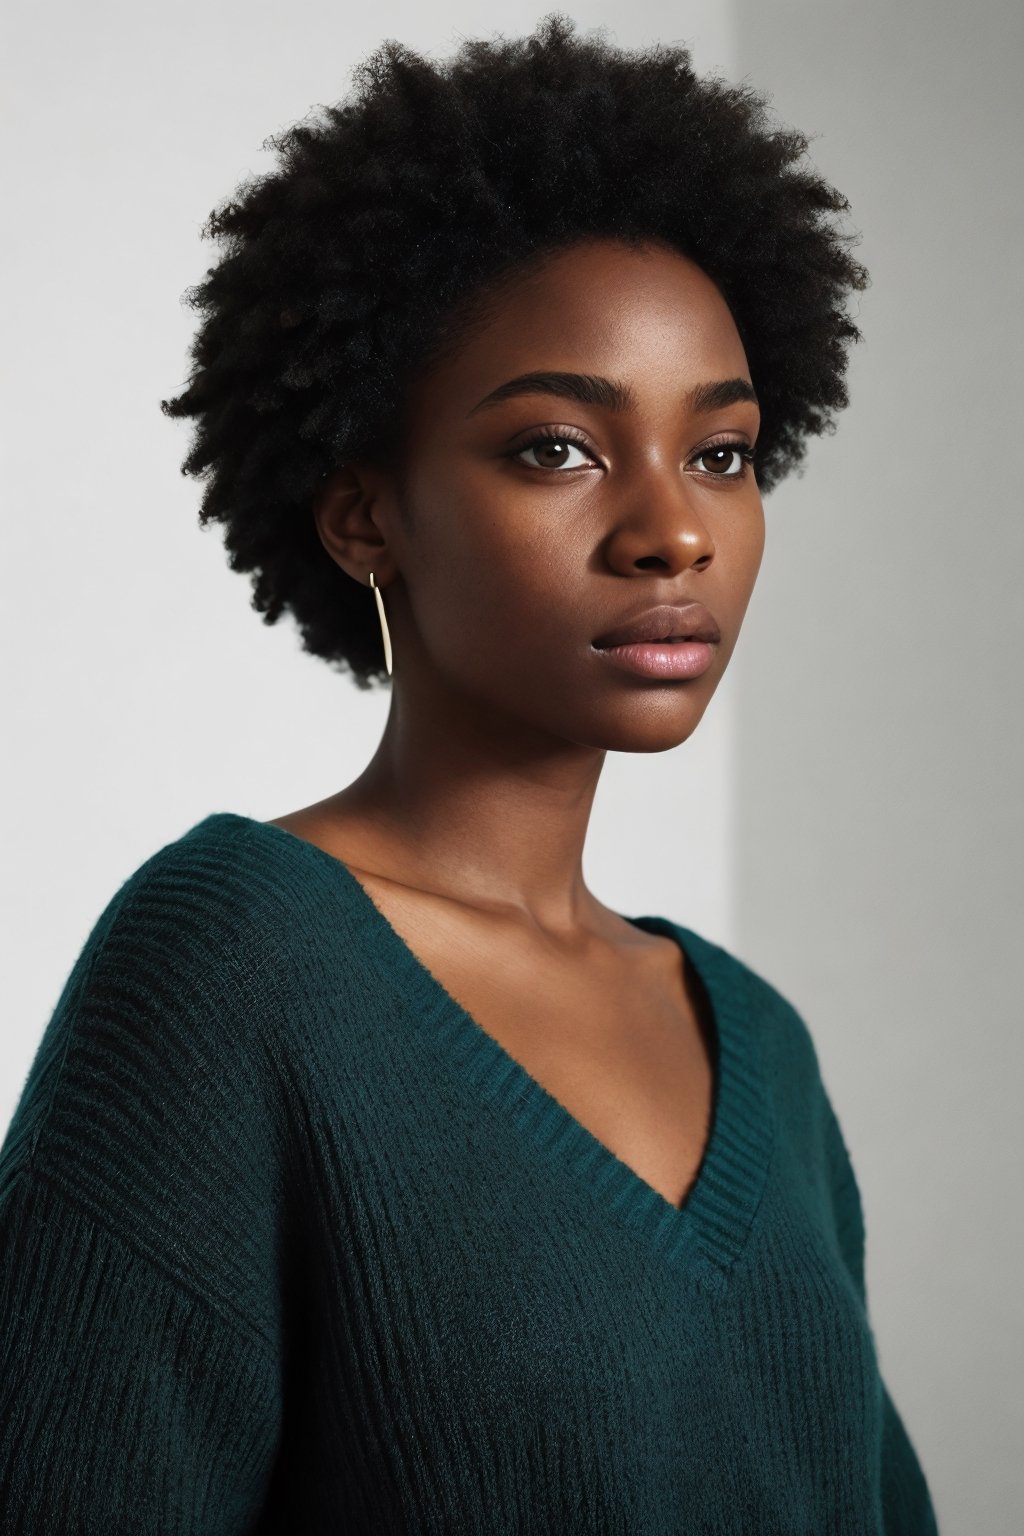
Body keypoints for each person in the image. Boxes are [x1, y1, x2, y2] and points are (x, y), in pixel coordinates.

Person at [0, 13, 939, 1532]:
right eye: (558, 449)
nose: (672, 531)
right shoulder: (234, 964)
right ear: (366, 518)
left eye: (722, 453)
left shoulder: (762, 1048)